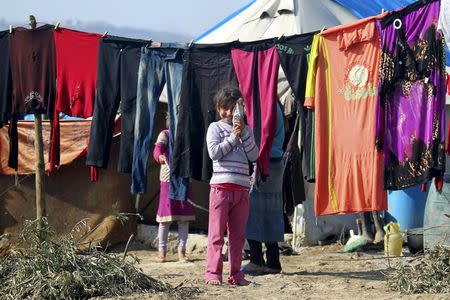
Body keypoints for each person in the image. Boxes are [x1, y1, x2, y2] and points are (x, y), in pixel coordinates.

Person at [204, 87, 259, 286]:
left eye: (233, 109)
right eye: (224, 109)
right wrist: (233, 137)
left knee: (238, 237)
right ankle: (212, 274)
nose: (228, 113)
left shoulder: (247, 130)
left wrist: (243, 134)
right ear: (219, 109)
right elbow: (214, 153)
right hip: (221, 189)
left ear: (241, 110)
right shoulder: (214, 128)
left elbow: (254, 156)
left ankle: (236, 274)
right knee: (217, 235)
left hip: (242, 190)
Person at [242, 103, 285, 275]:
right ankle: (273, 262)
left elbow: (260, 136)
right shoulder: (274, 105)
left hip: (264, 163)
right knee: (271, 213)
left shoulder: (265, 107)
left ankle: (256, 260)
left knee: (252, 212)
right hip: (275, 163)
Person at [154, 113, 195, 263]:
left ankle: (181, 251)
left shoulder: (188, 137)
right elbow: (157, 149)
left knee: (184, 218)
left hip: (184, 179)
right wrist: (159, 157)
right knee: (165, 218)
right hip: (168, 179)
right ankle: (162, 251)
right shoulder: (164, 134)